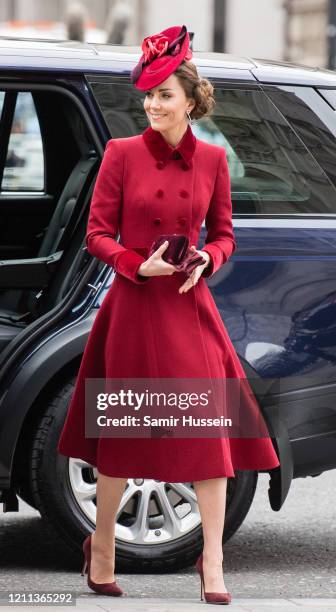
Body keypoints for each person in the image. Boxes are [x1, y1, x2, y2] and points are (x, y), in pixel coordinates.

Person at [57, 24, 280, 604]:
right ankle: (101, 548)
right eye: (148, 95)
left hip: (189, 307)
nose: (152, 105)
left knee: (208, 437)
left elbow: (227, 235)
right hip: (133, 305)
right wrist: (137, 266)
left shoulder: (211, 161)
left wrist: (208, 256)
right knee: (123, 435)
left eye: (164, 95)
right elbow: (96, 235)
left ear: (190, 100)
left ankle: (213, 564)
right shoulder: (120, 154)